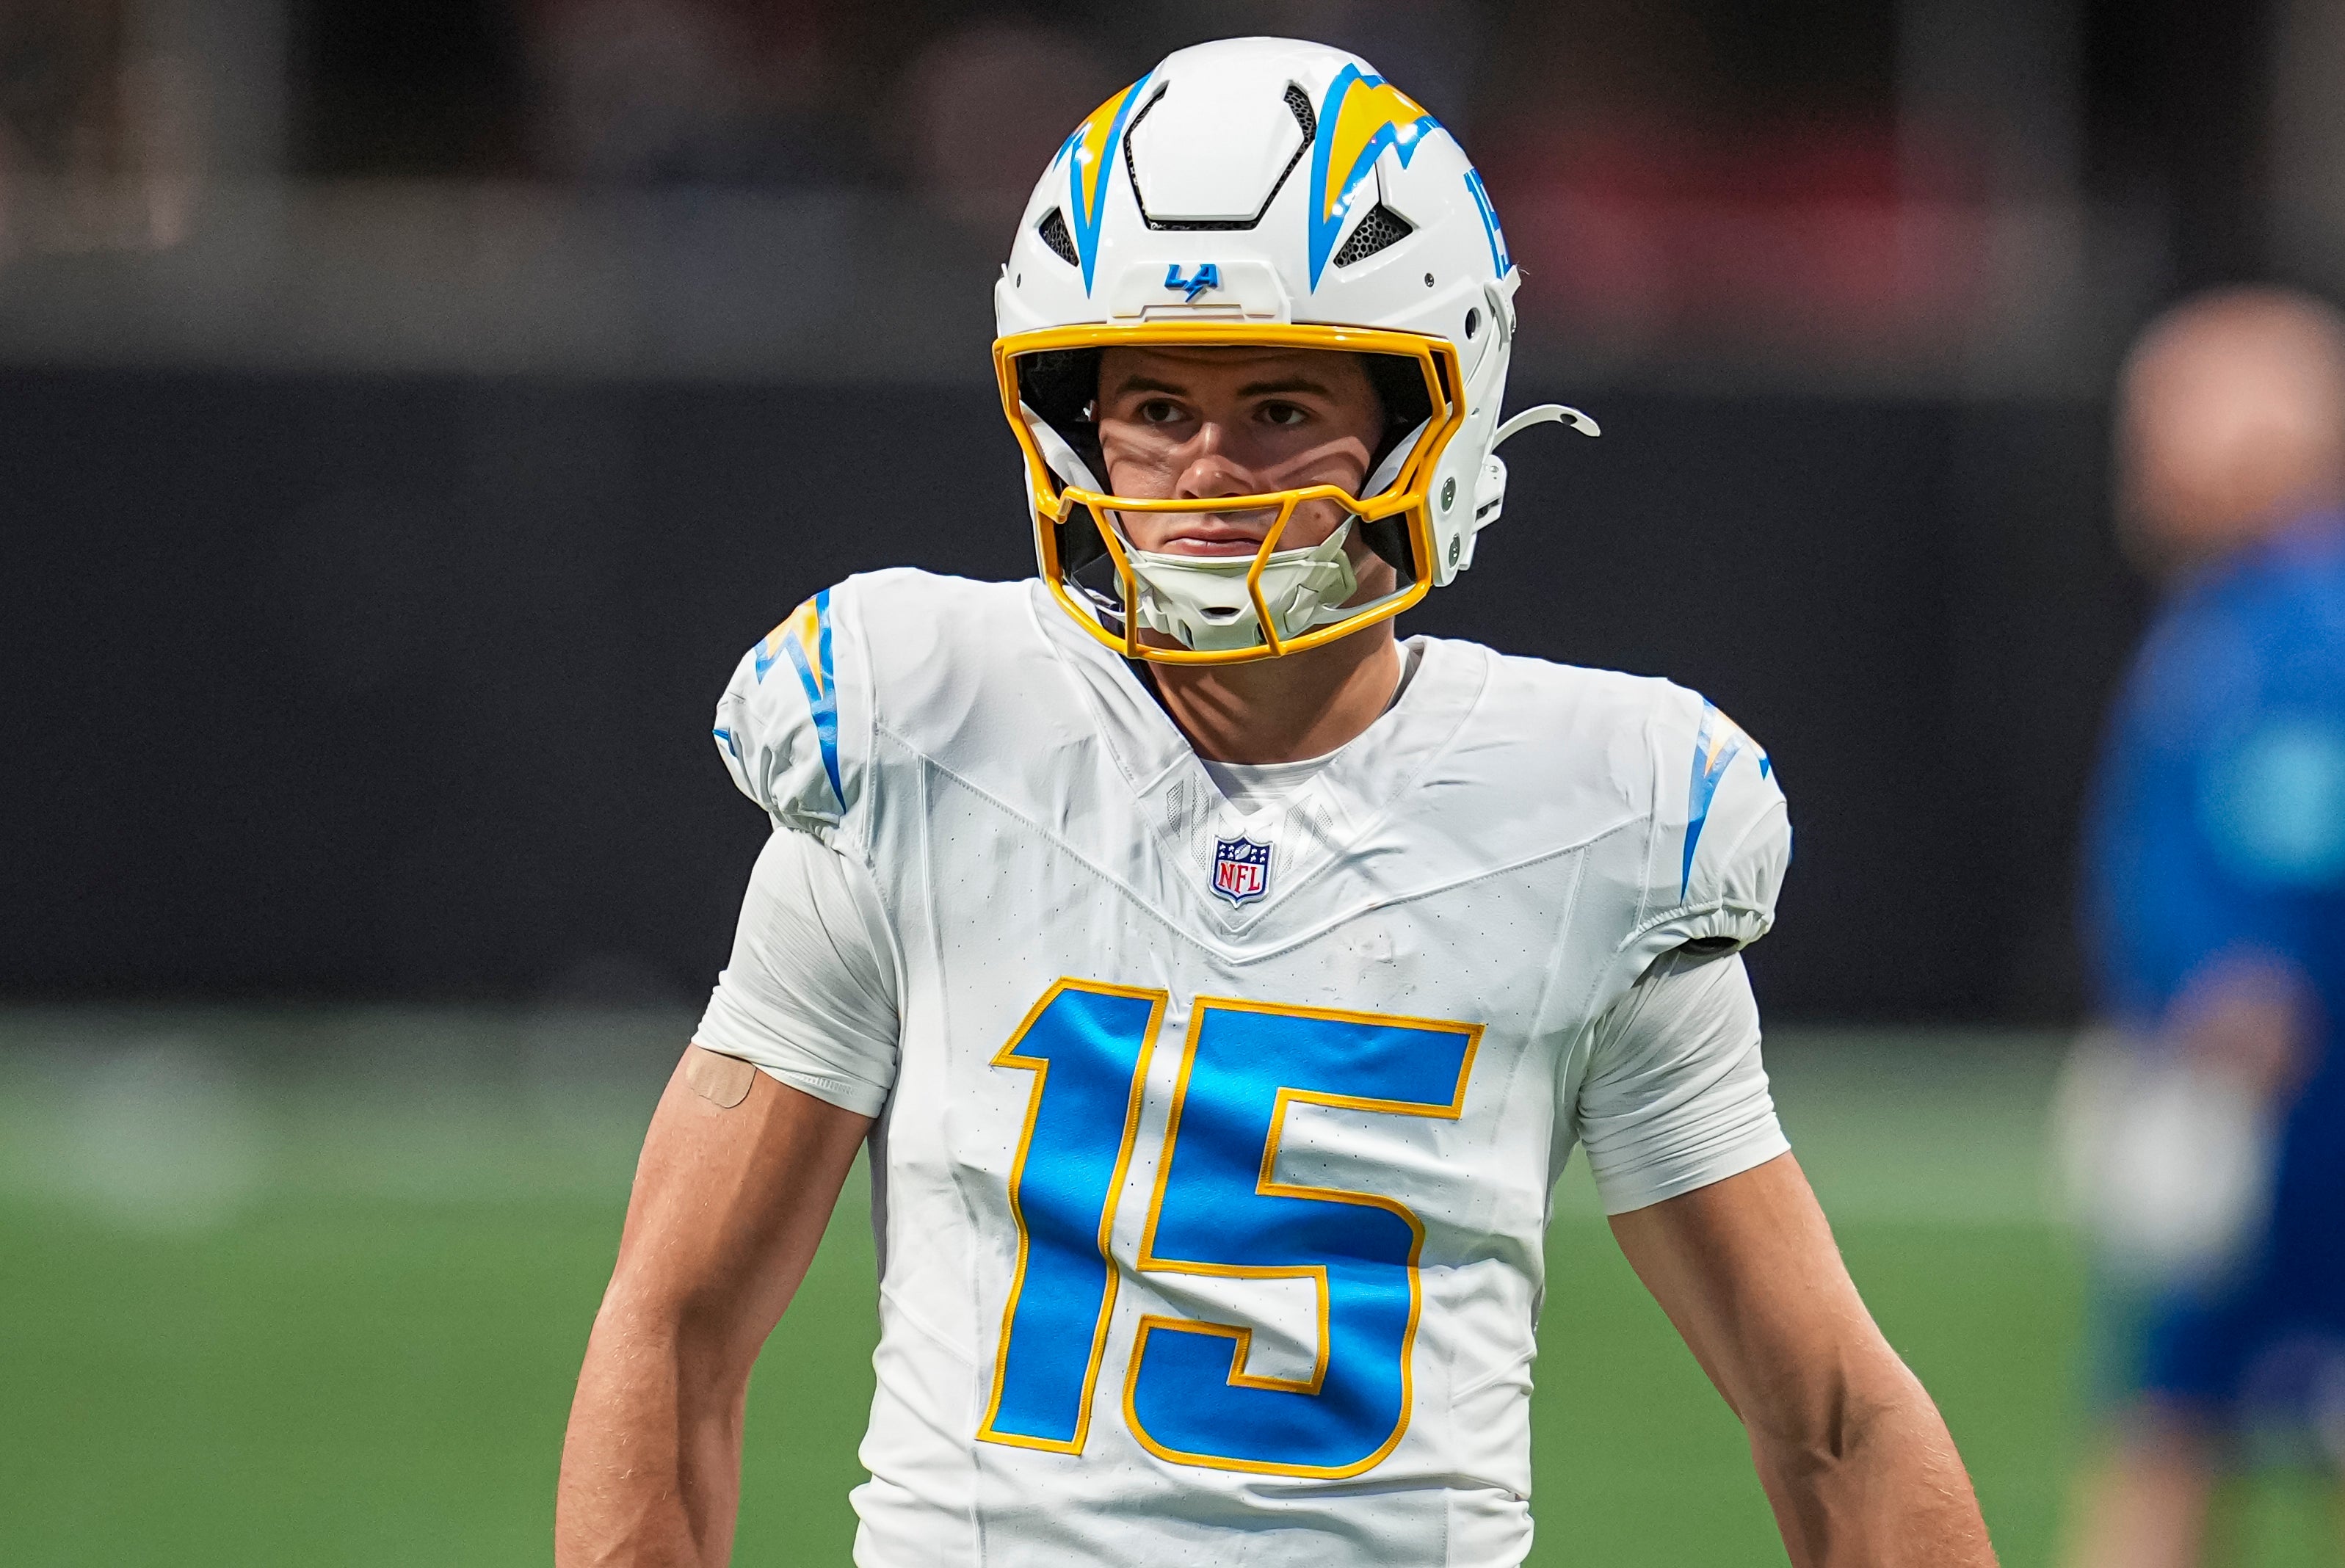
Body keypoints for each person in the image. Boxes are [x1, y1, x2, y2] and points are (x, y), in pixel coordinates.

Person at [555, 37, 1995, 1567]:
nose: (1204, 472)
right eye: (1156, 406)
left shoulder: (1594, 819)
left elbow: (1833, 1415)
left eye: (1281, 411)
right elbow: (676, 1325)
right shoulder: (918, 737)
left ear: (1425, 419)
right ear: (1069, 417)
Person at [2061, 287, 2345, 1568]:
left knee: (2172, 1430)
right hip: (2251, 1108)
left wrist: (2244, 1003)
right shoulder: (2227, 609)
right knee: (2166, 1424)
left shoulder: (2303, 619)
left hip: (2296, 1126)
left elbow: (2284, 851)